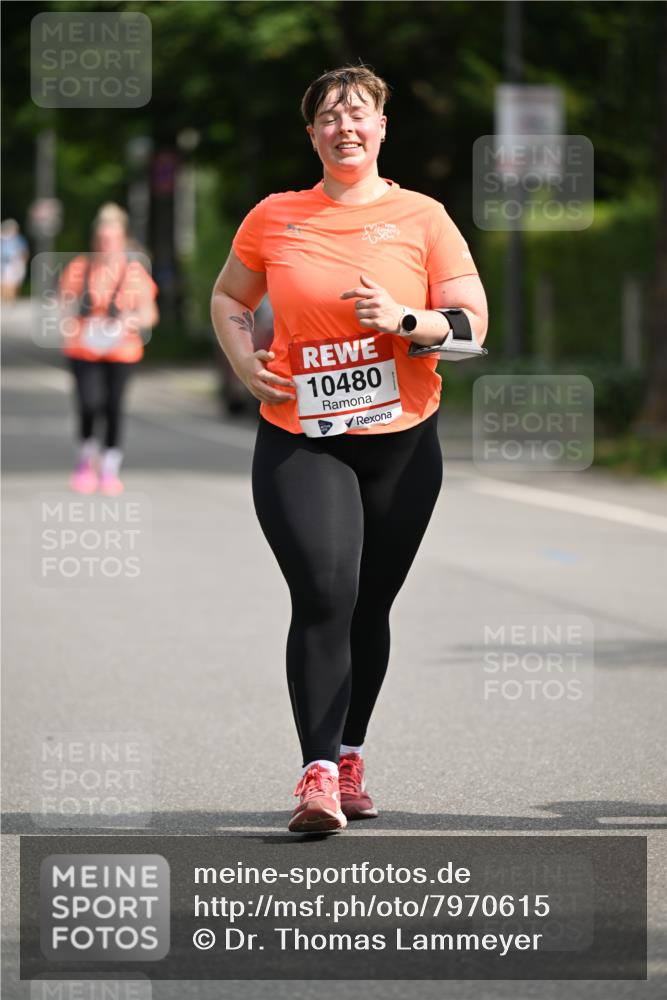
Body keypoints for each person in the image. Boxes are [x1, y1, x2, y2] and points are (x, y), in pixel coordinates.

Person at [211, 65, 488, 834]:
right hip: (304, 436)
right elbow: (230, 297)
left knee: (370, 605)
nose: (345, 125)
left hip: (402, 442)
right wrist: (243, 362)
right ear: (312, 135)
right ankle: (318, 774)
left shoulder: (423, 217)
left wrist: (405, 319)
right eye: (330, 116)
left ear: (381, 128)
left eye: (359, 112)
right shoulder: (275, 216)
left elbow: (470, 328)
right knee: (326, 594)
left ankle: (351, 752)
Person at [58, 204, 159, 495]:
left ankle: (110, 467)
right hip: (84, 348)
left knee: (114, 407)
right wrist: (70, 320)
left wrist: (131, 319)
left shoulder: (135, 273)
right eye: (101, 240)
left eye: (111, 240)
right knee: (89, 404)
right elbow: (64, 305)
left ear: (123, 240)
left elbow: (150, 315)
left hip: (121, 350)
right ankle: (85, 462)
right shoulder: (79, 268)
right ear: (95, 241)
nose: (106, 246)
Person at [1, 219, 29, 301]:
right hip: (6, 265)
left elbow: (24, 253)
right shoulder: (4, 238)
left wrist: (20, 264)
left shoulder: (18, 239)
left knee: (11, 284)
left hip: (13, 265)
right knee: (6, 284)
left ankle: (9, 302)